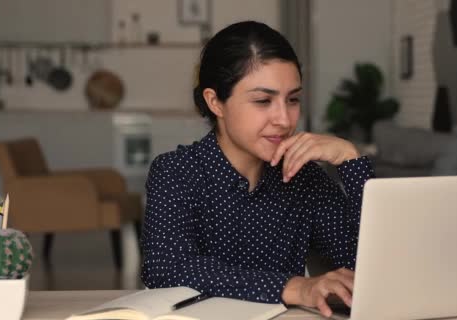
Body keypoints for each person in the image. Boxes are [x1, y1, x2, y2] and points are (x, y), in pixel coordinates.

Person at [140, 20, 374, 317]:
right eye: (263, 100)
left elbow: (368, 266)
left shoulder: (303, 177)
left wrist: (351, 161)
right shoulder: (176, 172)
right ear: (216, 102)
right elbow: (166, 268)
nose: (285, 119)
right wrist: (295, 287)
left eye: (292, 100)